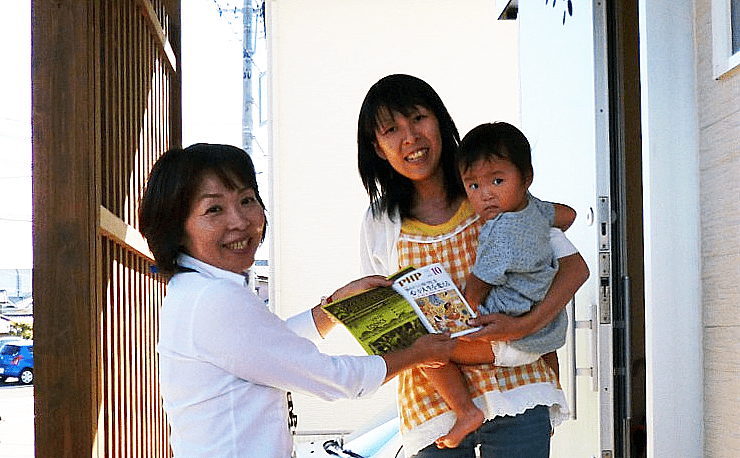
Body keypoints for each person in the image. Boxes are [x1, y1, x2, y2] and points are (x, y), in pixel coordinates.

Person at [137, 143, 456, 458]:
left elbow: (265, 349)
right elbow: (334, 379)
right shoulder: (214, 298)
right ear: (177, 229)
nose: (240, 221)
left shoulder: (192, 290)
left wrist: (334, 308)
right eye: (214, 209)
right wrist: (419, 353)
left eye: (247, 200)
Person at [357, 74, 589, 457]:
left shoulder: (489, 190)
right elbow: (385, 317)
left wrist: (523, 326)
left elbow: (568, 268)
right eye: (392, 129)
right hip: (434, 409)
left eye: (418, 118)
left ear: (440, 121)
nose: (410, 137)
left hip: (520, 391)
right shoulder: (379, 222)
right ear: (378, 148)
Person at [422, 121, 576, 448]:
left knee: (426, 347)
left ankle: (466, 411)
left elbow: (476, 290)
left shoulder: (500, 233)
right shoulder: (536, 213)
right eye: (474, 186)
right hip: (543, 339)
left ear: (527, 177)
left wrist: (453, 316)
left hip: (504, 336)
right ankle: (554, 397)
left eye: (497, 180)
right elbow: (569, 214)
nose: (487, 194)